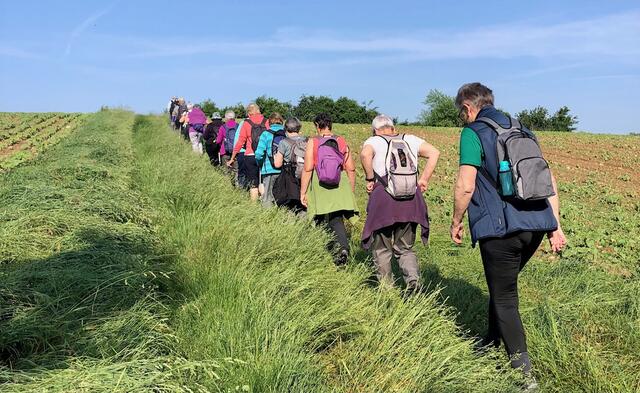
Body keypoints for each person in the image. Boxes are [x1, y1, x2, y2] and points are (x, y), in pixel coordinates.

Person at [450, 82, 566, 389]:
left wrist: (456, 220)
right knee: (502, 285)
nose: (463, 119)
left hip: (502, 228)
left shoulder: (473, 132)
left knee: (504, 297)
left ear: (467, 107)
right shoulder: (523, 129)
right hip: (536, 226)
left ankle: (524, 375)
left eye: (461, 114)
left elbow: (465, 184)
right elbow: (548, 177)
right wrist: (555, 225)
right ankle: (490, 341)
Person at [360, 114, 439, 292]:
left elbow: (365, 154)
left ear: (375, 130)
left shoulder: (374, 141)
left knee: (382, 248)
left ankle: (386, 289)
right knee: (405, 248)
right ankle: (413, 282)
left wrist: (369, 178)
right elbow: (435, 152)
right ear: (393, 128)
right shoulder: (410, 139)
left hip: (385, 201)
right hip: (411, 201)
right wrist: (424, 179)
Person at [300, 113, 358, 266]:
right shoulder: (340, 140)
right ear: (330, 126)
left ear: (317, 126)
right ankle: (343, 249)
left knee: (317, 216)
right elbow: (351, 169)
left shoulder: (313, 141)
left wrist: (303, 192)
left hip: (320, 183)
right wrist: (350, 191)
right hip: (340, 182)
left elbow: (307, 168)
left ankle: (322, 249)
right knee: (336, 218)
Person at [227, 103, 270, 201]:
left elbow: (240, 142)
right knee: (262, 181)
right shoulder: (266, 122)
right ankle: (265, 204)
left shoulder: (246, 123)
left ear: (249, 113)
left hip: (250, 155)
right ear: (259, 110)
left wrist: (233, 157)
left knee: (253, 184)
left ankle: (254, 207)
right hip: (264, 155)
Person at [273, 117, 308, 213]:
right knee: (304, 202)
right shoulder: (307, 140)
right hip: (306, 173)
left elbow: (277, 164)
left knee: (290, 203)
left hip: (290, 176)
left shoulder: (283, 142)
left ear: (286, 128)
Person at [254, 113, 285, 208]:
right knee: (281, 195)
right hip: (284, 170)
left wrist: (260, 164)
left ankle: (267, 218)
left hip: (269, 169)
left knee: (267, 196)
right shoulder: (286, 134)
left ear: (269, 122)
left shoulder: (266, 134)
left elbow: (259, 154)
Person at [217, 110, 238, 174]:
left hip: (225, 151)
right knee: (236, 170)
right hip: (236, 151)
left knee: (226, 171)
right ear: (234, 117)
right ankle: (236, 183)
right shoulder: (238, 126)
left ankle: (227, 183)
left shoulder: (223, 127)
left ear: (226, 118)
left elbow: (218, 140)